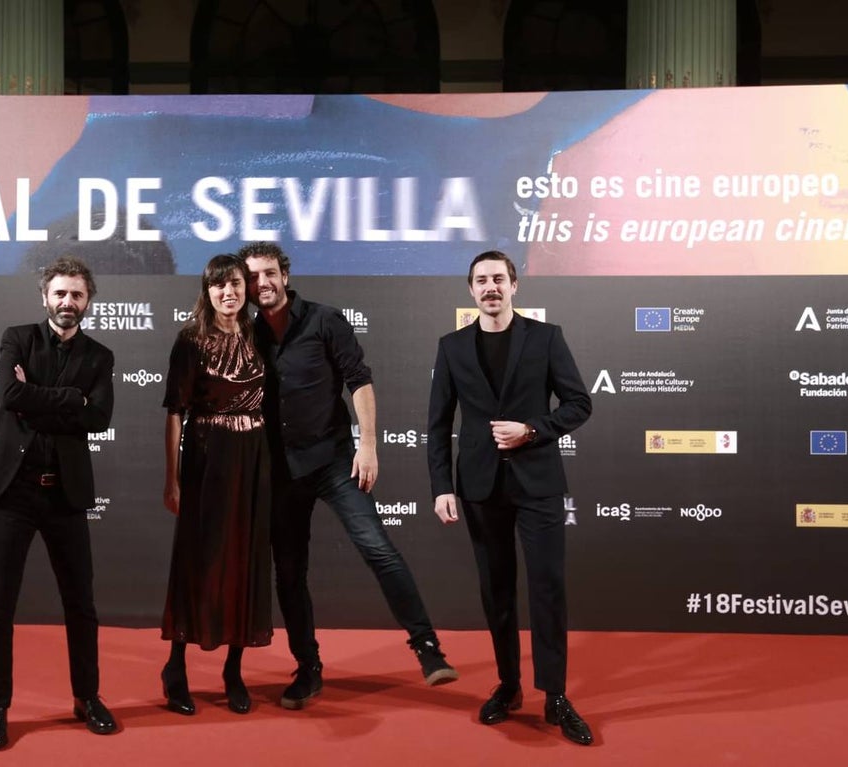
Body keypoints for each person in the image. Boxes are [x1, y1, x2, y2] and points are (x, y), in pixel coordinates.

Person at [241, 242, 458, 711]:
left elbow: (358, 379)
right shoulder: (246, 333)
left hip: (335, 460)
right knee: (289, 573)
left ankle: (427, 648)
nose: (263, 283)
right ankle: (308, 667)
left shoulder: (324, 320)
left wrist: (369, 445)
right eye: (253, 276)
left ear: (285, 274)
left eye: (270, 273)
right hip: (279, 472)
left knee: (378, 547)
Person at [426, 250, 593, 745]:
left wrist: (532, 430)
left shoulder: (545, 338)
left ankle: (556, 696)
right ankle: (509, 685)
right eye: (481, 281)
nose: (490, 287)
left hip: (538, 483)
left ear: (514, 286)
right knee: (496, 593)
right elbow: (437, 425)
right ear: (471, 290)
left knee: (546, 590)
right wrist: (441, 487)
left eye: (499, 278)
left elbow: (580, 403)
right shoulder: (452, 347)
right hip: (479, 487)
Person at [0, 256, 117, 750]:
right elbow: (9, 394)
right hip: (12, 491)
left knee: (81, 604)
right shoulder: (18, 337)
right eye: (60, 293)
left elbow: (97, 418)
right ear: (45, 297)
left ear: (88, 301)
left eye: (76, 294)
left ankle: (87, 696)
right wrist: (68, 399)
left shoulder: (100, 355)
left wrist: (39, 396)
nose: (67, 302)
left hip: (66, 495)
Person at [159, 254, 273, 716]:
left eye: (236, 284)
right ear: (206, 292)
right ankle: (176, 667)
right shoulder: (189, 341)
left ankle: (233, 668)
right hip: (206, 459)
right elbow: (174, 413)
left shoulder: (261, 334)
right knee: (198, 562)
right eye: (219, 285)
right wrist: (172, 478)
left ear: (246, 289)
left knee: (244, 561)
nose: (229, 292)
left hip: (254, 459)